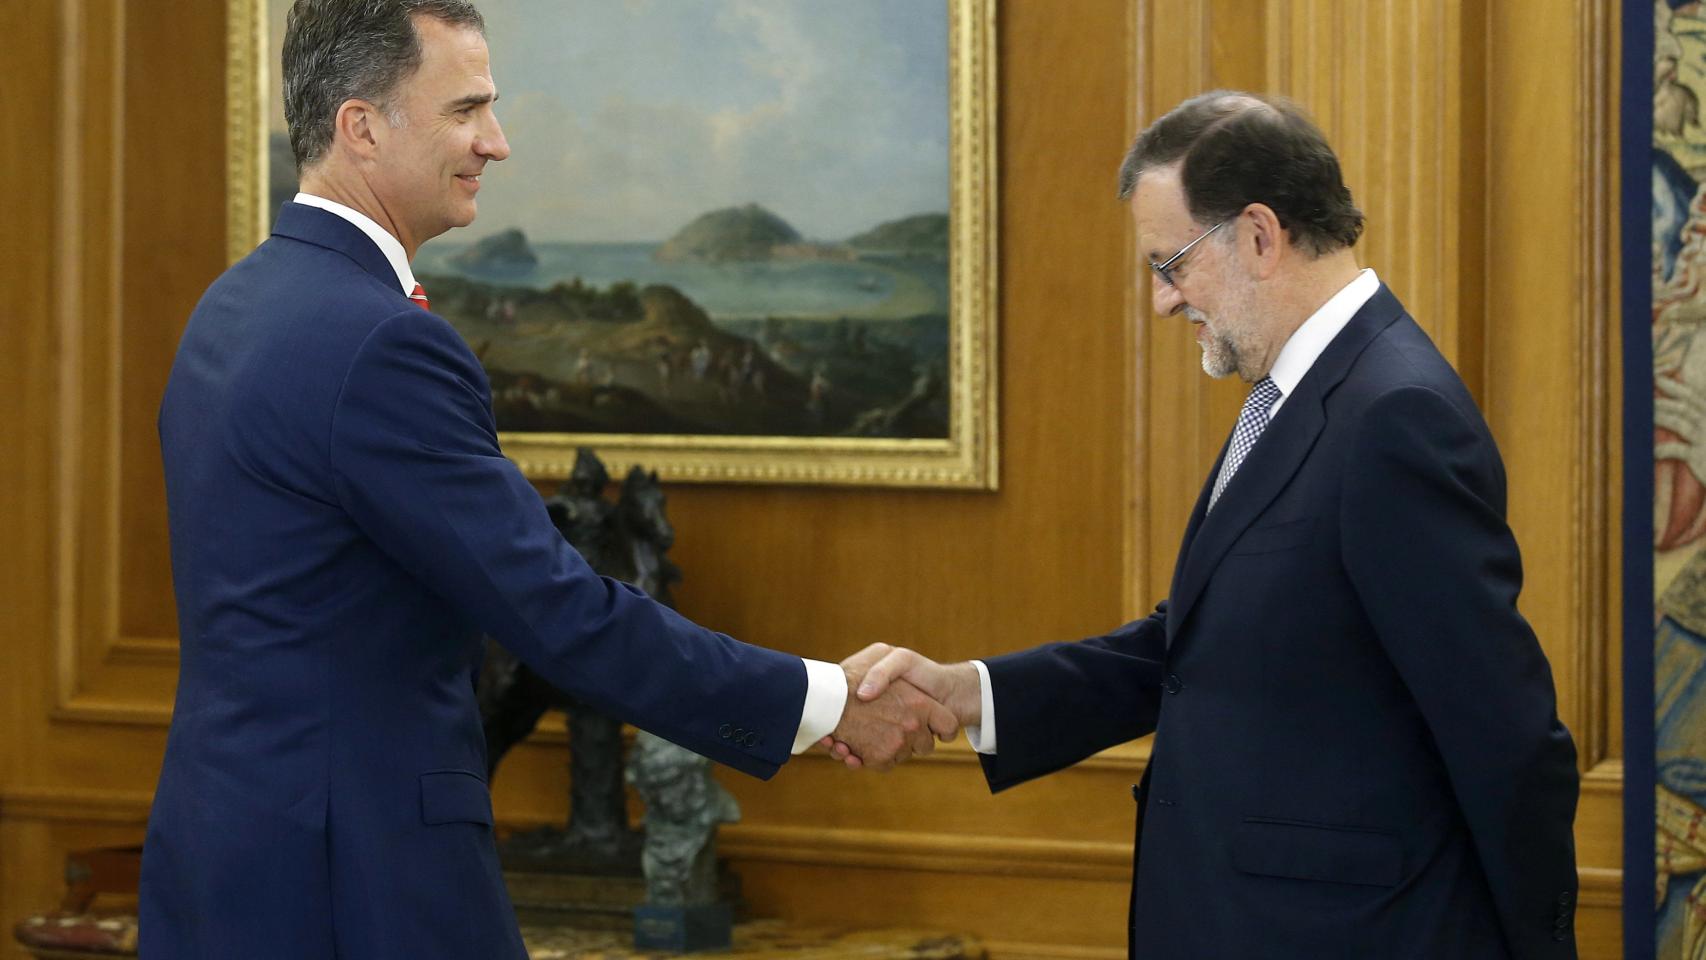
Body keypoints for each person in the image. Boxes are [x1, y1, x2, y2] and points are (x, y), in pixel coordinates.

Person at [139, 2, 952, 957]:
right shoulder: (381, 342)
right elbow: (557, 611)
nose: (498, 141)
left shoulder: (230, 308)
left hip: (222, 856)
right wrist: (822, 702)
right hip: (355, 877)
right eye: (465, 110)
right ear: (361, 127)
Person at [840, 91, 1581, 959]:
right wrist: (970, 693)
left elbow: (1507, 733)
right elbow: (1194, 651)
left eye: (1171, 264)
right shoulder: (1302, 390)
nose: (1161, 301)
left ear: (1262, 236)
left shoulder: (1394, 412)